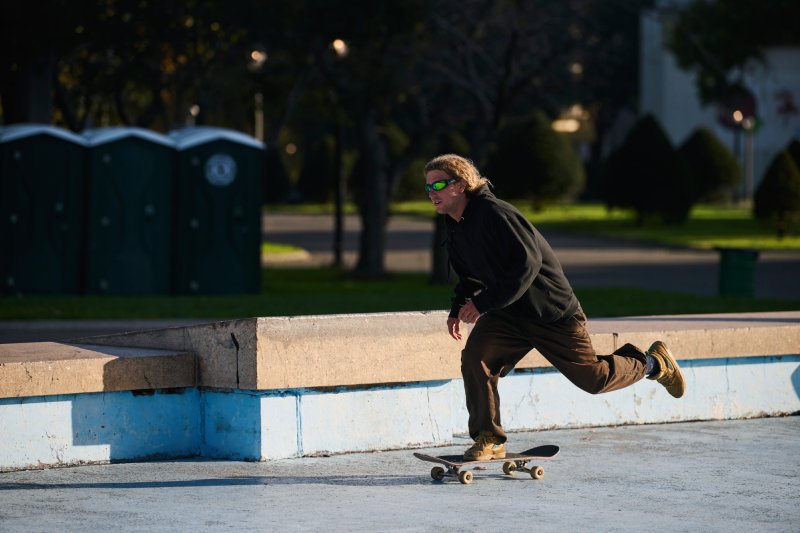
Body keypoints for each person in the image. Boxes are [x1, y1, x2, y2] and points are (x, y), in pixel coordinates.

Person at [424, 154, 685, 462]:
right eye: (427, 186)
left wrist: (482, 304)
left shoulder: (495, 213)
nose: (432, 192)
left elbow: (528, 264)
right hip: (508, 314)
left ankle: (653, 363)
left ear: (462, 184)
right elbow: (469, 275)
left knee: (594, 379)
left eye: (439, 184)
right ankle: (489, 438)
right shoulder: (455, 224)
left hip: (550, 312)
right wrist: (458, 308)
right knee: (476, 359)